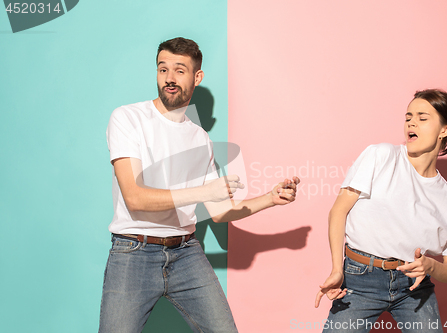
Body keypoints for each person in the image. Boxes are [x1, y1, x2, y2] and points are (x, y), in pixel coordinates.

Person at [99, 37, 300, 333]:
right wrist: (205, 192)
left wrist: (270, 198)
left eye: (179, 70)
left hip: (186, 253)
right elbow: (135, 198)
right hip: (134, 252)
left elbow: (219, 212)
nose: (169, 78)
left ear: (197, 77)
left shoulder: (200, 138)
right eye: (162, 69)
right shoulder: (128, 118)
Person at [315, 89, 447, 333]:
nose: (411, 122)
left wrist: (430, 266)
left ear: (445, 129)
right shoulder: (381, 156)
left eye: (422, 117)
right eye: (409, 116)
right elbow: (338, 212)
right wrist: (337, 270)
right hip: (360, 279)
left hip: (414, 288)